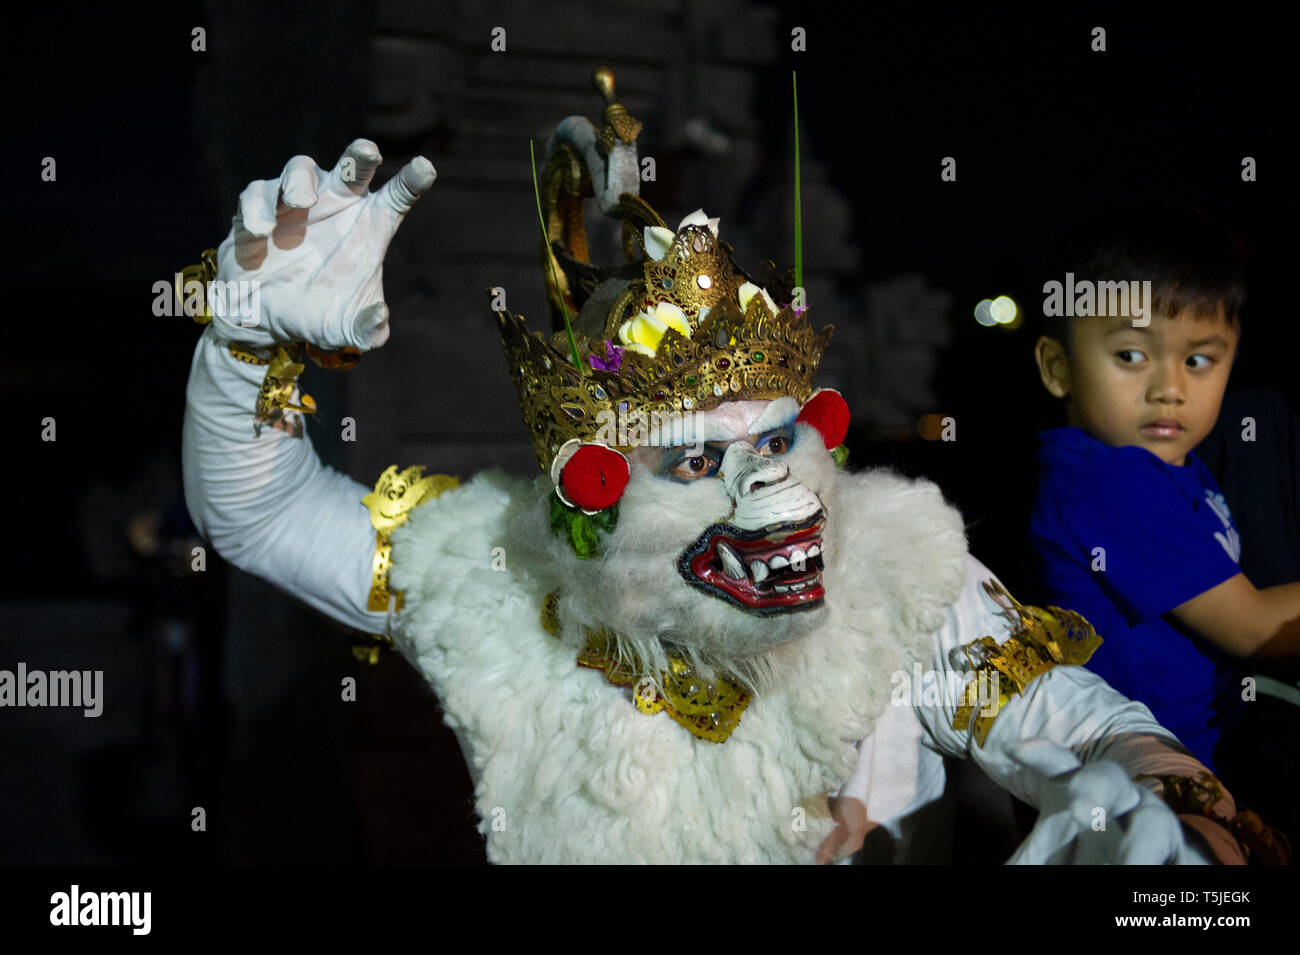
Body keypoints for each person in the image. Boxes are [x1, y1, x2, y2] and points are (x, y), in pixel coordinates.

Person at [180, 72, 1274, 863]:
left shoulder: (896, 574)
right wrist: (242, 341)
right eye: (698, 457)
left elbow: (1073, 719)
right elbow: (259, 513)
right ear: (591, 490)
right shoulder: (491, 576)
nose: (780, 489)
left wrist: (1162, 807)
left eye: (777, 438)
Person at [1030, 203, 1300, 788]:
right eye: (1131, 355)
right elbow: (1253, 629)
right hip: (1150, 791)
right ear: (1058, 368)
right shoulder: (1107, 481)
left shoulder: (1172, 467)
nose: (1171, 389)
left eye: (1199, 360)